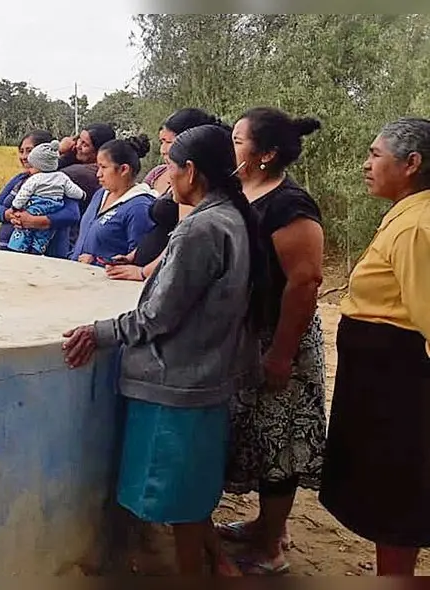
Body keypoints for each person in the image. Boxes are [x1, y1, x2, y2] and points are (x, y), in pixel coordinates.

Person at [62, 123, 267, 576]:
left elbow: (157, 316)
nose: (166, 179)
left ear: (190, 171)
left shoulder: (200, 230)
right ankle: (210, 567)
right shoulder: (231, 217)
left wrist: (98, 332)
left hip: (174, 383)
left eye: (170, 168)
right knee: (190, 492)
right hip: (206, 377)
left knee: (169, 493)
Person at [217, 108, 326, 576]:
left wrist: (281, 353)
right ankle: (265, 525)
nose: (231, 146)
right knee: (257, 437)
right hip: (247, 334)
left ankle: (272, 549)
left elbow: (305, 281)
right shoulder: (241, 191)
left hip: (281, 337)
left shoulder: (289, 205)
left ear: (265, 155)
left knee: (280, 440)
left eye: (238, 140)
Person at [319, 117, 430, 576]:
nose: (366, 165)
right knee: (387, 488)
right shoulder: (406, 216)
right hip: (381, 378)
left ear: (412, 164)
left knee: (396, 490)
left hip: (398, 383)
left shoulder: (417, 228)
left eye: (375, 155)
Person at [108, 108, 230, 281]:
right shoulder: (167, 175)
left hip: (162, 277)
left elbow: (181, 242)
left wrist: (144, 272)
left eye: (167, 141)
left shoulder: (194, 185)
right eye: (161, 142)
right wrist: (133, 256)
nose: (163, 149)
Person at [0, 130, 85, 258]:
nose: (24, 156)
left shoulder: (58, 182)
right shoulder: (20, 179)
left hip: (48, 256)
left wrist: (34, 221)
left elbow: (72, 214)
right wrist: (12, 215)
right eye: (21, 151)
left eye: (29, 151)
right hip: (8, 252)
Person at [70, 136, 157, 267]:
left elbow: (139, 259)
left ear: (124, 169)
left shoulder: (139, 207)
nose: (98, 174)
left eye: (104, 167)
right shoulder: (101, 194)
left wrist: (98, 262)